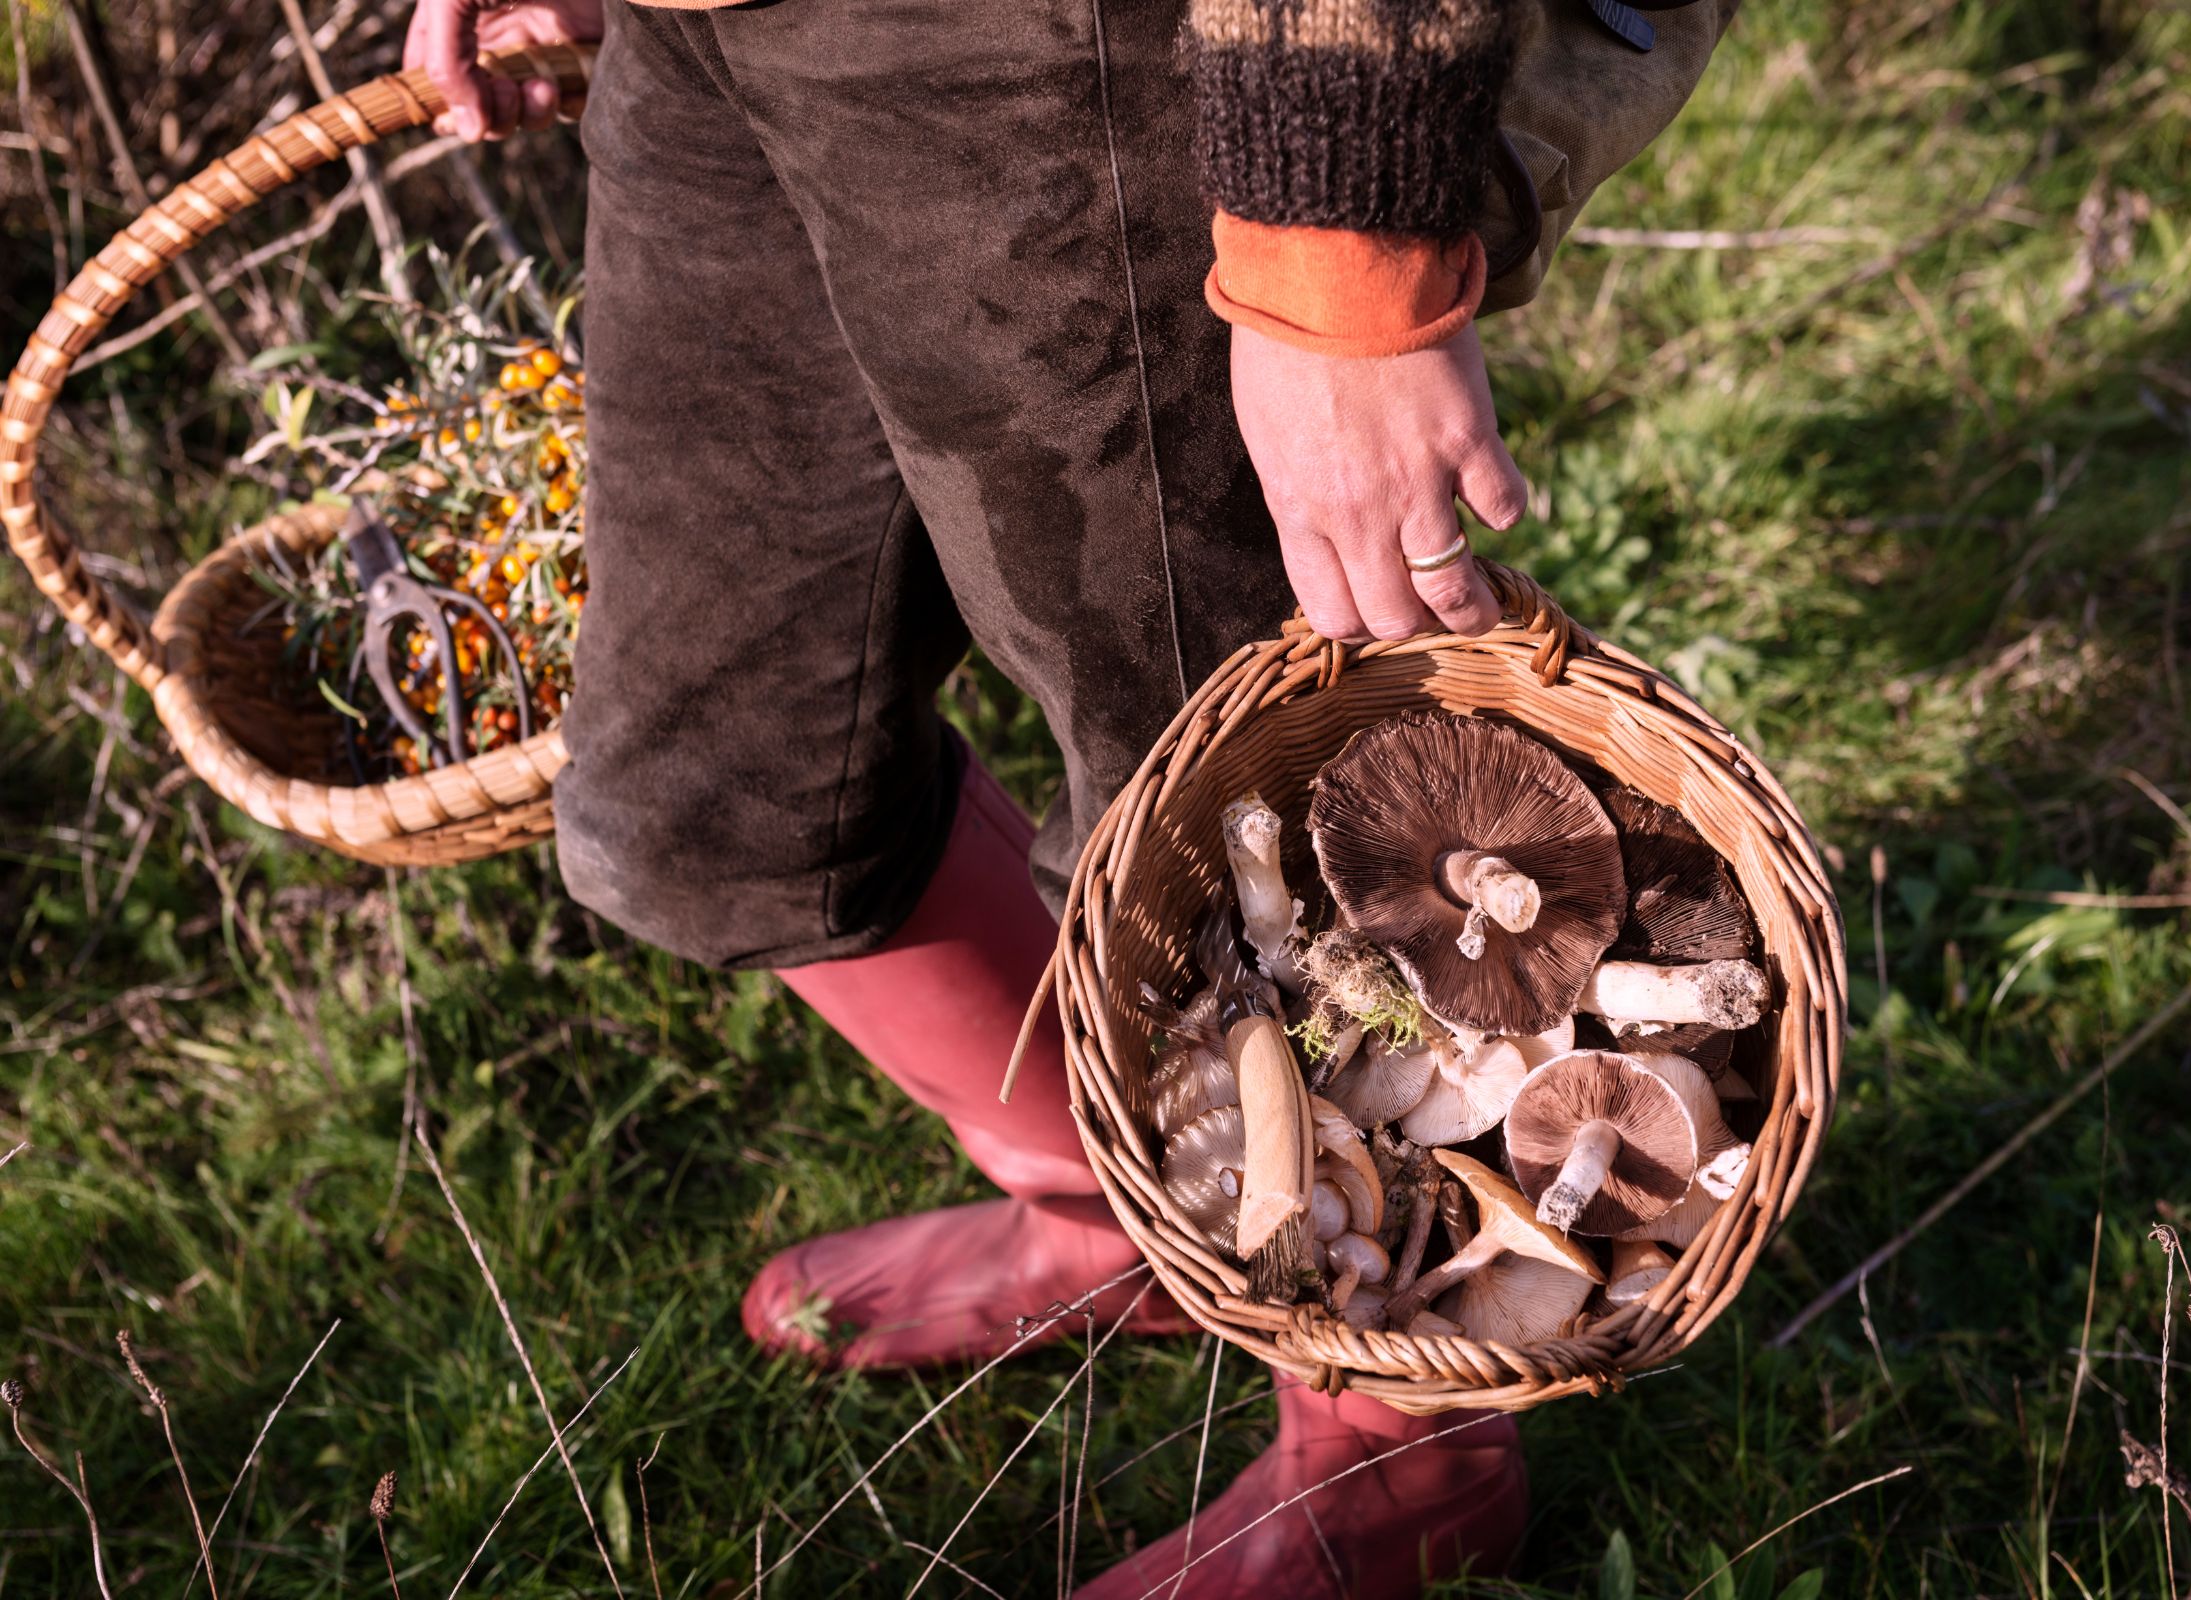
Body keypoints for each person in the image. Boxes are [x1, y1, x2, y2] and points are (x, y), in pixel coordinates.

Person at [402, 1, 1585, 1592]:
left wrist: (1339, 264)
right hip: (712, 36)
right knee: (705, 800)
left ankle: (1402, 1456)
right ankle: (1132, 1200)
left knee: (1217, 832)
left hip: (1061, 52)